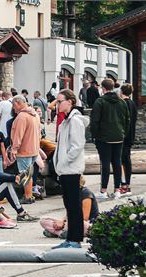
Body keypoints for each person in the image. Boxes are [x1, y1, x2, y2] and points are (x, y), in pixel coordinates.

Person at [50, 88, 90, 249]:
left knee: (74, 205)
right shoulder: (65, 121)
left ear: (70, 102)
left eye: (60, 101)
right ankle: (71, 237)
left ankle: (75, 239)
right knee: (69, 204)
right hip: (65, 170)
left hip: (71, 170)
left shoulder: (75, 121)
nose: (57, 104)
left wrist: (64, 162)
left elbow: (77, 146)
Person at [90, 78, 130, 200]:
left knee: (105, 163)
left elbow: (94, 121)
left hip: (104, 138)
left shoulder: (100, 102)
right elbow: (127, 120)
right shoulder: (122, 102)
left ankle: (103, 190)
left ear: (103, 88)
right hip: (119, 137)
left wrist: (95, 136)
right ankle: (117, 189)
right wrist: (123, 133)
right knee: (117, 163)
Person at [9, 95, 41, 205]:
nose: (13, 109)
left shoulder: (22, 117)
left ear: (17, 103)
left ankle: (27, 196)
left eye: (13, 105)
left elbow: (18, 135)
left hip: (24, 151)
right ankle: (30, 195)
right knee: (29, 174)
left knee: (25, 174)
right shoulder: (35, 114)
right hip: (34, 149)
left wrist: (14, 149)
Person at [119, 83, 137, 196]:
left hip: (122, 136)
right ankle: (127, 184)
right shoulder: (133, 104)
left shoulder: (123, 104)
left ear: (121, 92)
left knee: (120, 160)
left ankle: (124, 185)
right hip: (130, 135)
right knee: (127, 159)